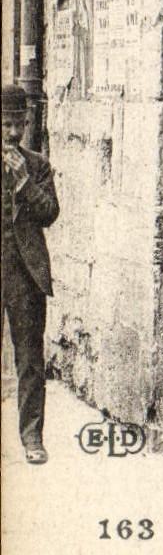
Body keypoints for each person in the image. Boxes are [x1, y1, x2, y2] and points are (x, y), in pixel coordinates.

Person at [2, 84, 60, 464]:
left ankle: (31, 438)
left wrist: (23, 183)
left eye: (19, 124)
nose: (12, 133)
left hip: (24, 273)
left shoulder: (37, 165)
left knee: (30, 360)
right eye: (6, 124)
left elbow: (50, 213)